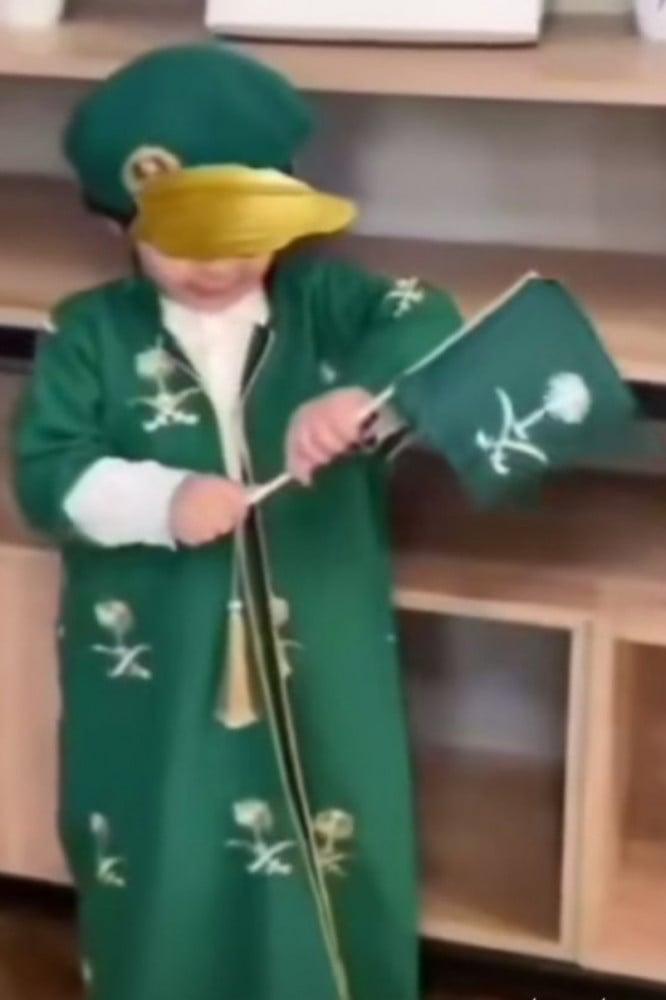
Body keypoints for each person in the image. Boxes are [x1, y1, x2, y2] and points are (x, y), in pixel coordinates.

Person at [13, 43, 462, 1000]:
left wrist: (354, 395)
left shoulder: (329, 308)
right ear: (120, 226)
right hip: (155, 651)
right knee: (161, 822)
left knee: (334, 807)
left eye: (240, 233)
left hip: (322, 632)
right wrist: (163, 499)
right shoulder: (90, 333)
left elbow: (431, 323)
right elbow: (49, 472)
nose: (215, 265)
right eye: (182, 239)